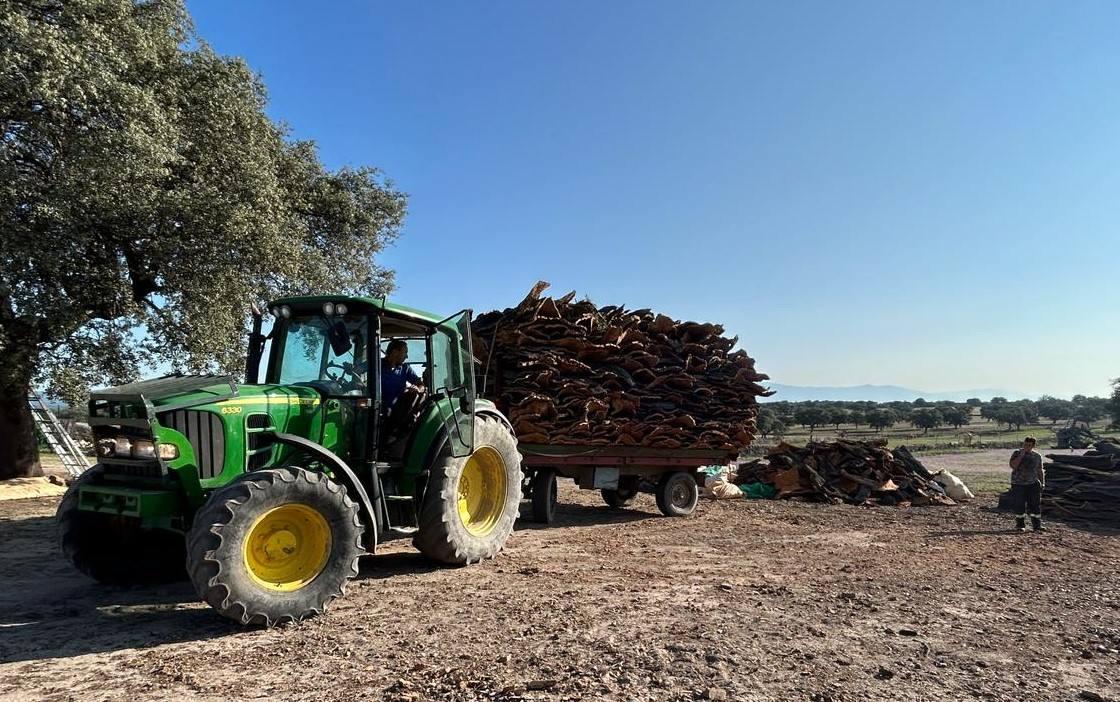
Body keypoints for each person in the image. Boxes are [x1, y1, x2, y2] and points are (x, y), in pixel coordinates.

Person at [1008, 436, 1046, 532]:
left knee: (1035, 505)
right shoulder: (1016, 453)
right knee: (1019, 504)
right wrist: (1021, 455)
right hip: (1018, 483)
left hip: (1033, 483)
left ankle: (1037, 525)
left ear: (1033, 446)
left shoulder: (1037, 456)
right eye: (1025, 444)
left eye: (1029, 445)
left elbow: (1039, 470)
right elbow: (1013, 466)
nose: (1026, 447)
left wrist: (1042, 483)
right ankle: (1020, 525)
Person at [380, 339, 425, 410]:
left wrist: (418, 389)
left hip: (398, 412)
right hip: (377, 410)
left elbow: (421, 385)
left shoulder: (405, 369)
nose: (407, 356)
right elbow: (356, 371)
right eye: (405, 352)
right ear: (395, 352)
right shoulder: (376, 365)